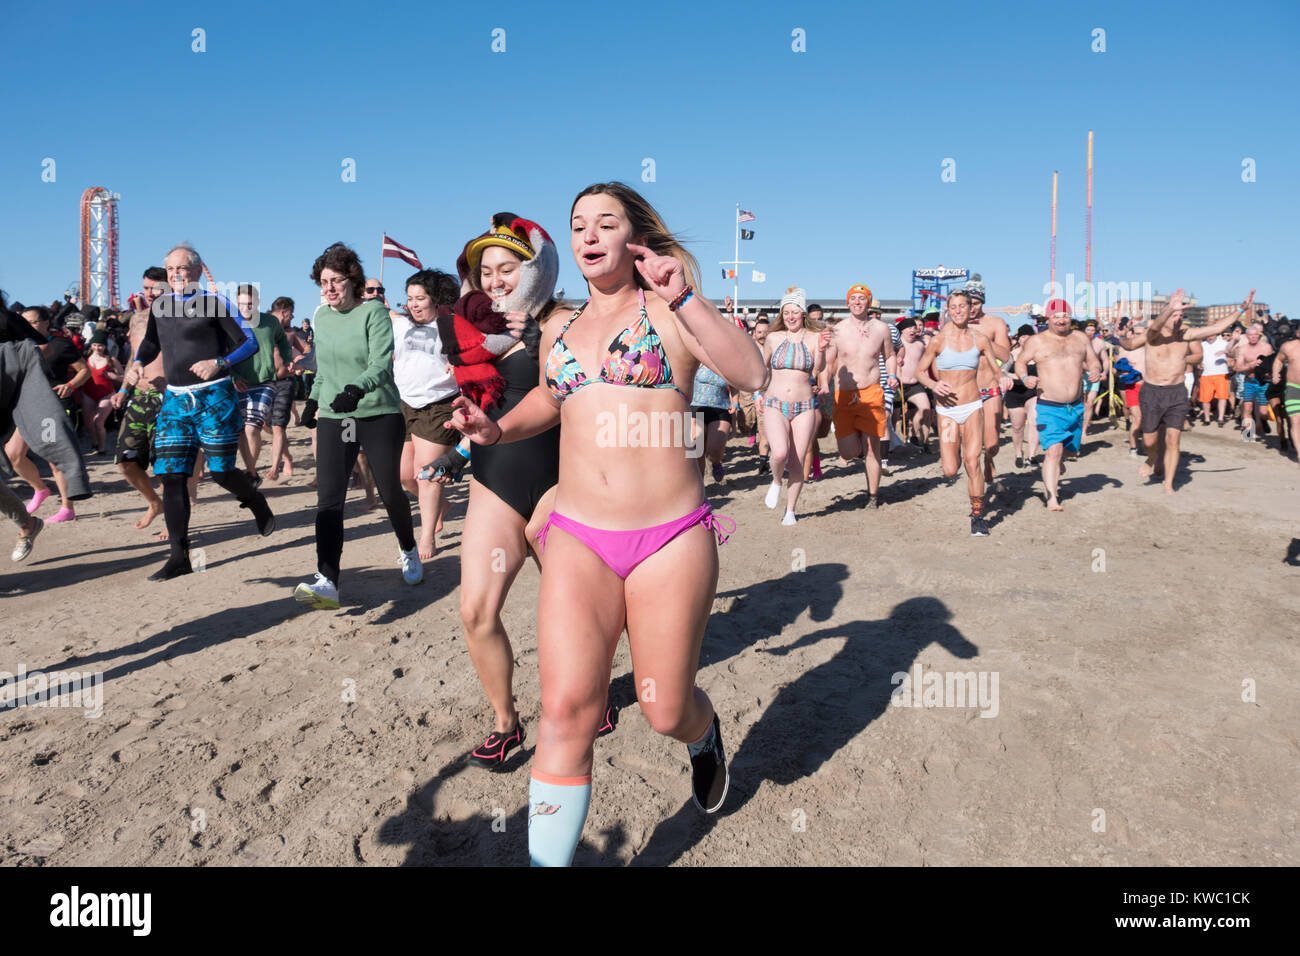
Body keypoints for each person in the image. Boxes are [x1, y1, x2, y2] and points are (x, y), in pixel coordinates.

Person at [451, 183, 767, 866]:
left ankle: (703, 734)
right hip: (578, 537)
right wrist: (495, 427)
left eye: (606, 223)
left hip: (670, 538)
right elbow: (550, 397)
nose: (589, 235)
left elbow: (751, 372)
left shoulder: (669, 309)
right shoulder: (559, 327)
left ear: (634, 237)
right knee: (565, 711)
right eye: (578, 226)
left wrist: (684, 296)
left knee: (664, 709)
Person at [423, 214, 565, 768]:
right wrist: (457, 451)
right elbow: (481, 407)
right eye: (486, 272)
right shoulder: (465, 333)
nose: (496, 280)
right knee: (475, 611)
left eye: (508, 268)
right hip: (493, 477)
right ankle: (506, 722)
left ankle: (589, 691)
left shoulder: (560, 323)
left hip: (560, 479)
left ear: (533, 270)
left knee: (577, 609)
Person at [129, 243, 276, 579]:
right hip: (176, 399)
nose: (175, 275)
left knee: (222, 472)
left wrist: (219, 362)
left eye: (181, 269)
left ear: (196, 271)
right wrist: (137, 362)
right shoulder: (161, 307)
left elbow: (248, 343)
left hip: (215, 396)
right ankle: (179, 556)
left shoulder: (213, 303)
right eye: (169, 270)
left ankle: (255, 500)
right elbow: (151, 343)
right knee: (172, 474)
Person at [294, 242, 420, 608]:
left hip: (378, 412)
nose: (329, 289)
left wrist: (355, 389)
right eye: (323, 282)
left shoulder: (373, 314)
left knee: (389, 490)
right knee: (328, 500)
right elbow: (325, 366)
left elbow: (381, 364)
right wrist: (315, 399)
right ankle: (328, 581)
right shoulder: (321, 316)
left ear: (352, 281)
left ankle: (408, 548)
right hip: (336, 415)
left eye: (335, 281)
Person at [1120, 289, 1249, 494]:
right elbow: (1153, 327)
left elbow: (1216, 326)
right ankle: (1152, 458)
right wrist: (1170, 307)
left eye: (1181, 315)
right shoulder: (1153, 336)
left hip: (1177, 392)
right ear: (1166, 316)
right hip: (1152, 391)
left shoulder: (1186, 335)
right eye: (1174, 315)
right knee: (1150, 441)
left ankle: (1169, 483)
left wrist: (1241, 310)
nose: (1178, 319)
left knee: (1173, 439)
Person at [914, 289, 1001, 534]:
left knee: (972, 462)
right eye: (954, 307)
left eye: (963, 306)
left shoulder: (980, 339)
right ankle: (966, 466)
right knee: (950, 469)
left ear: (969, 308)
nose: (959, 311)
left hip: (973, 406)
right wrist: (933, 385)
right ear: (948, 311)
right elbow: (919, 372)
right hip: (948, 412)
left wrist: (1003, 377)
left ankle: (978, 516)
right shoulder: (938, 340)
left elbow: (995, 367)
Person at [393, 268, 460, 559]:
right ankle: (439, 505)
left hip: (440, 403)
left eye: (420, 298)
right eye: (409, 298)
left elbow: (475, 352)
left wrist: (461, 364)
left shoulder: (450, 325)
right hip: (406, 403)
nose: (414, 304)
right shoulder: (398, 325)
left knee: (426, 474)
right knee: (404, 476)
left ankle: (427, 535)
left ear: (435, 298)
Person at [1013, 301, 1101, 511]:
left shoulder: (1080, 338)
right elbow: (1020, 362)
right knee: (1053, 451)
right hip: (1049, 406)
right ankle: (1052, 498)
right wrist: (1025, 377)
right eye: (1056, 316)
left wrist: (1096, 370)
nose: (1061, 320)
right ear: (1048, 318)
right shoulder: (1037, 341)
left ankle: (1060, 461)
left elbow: (1093, 360)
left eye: (1065, 316)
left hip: (1075, 407)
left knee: (1069, 452)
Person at [6, 305, 91, 523]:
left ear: (45, 322)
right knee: (13, 454)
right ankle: (40, 489)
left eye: (34, 322)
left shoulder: (59, 345)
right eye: (25, 322)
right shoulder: (20, 346)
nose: (29, 326)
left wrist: (70, 385)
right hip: (28, 405)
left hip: (52, 406)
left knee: (54, 457)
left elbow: (84, 370)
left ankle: (67, 507)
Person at [822, 284, 896, 509]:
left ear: (868, 302)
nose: (857, 302)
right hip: (843, 395)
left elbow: (890, 355)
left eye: (861, 299)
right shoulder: (838, 330)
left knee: (873, 447)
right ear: (847, 303)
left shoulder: (882, 328)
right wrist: (824, 383)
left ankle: (873, 496)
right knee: (849, 451)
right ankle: (861, 449)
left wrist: (892, 374)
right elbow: (827, 363)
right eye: (853, 298)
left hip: (872, 392)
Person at [760, 287, 825, 524]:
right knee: (779, 452)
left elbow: (818, 367)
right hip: (775, 403)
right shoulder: (773, 338)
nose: (790, 316)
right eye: (786, 312)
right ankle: (776, 480)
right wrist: (758, 393)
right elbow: (761, 368)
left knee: (798, 459)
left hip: (804, 405)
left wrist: (822, 349)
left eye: (794, 312)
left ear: (803, 313)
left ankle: (790, 510)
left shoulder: (814, 337)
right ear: (782, 314)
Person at [231, 285, 292, 484]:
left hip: (266, 381)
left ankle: (250, 472)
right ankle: (251, 472)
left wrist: (284, 359)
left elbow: (283, 341)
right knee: (240, 430)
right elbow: (221, 352)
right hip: (239, 382)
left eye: (249, 303)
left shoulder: (270, 322)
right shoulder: (231, 323)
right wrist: (232, 375)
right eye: (241, 304)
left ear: (257, 303)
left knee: (251, 427)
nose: (245, 308)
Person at [964, 276, 1011, 481]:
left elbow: (1006, 356)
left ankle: (989, 458)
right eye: (968, 303)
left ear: (982, 302)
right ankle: (976, 485)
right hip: (966, 390)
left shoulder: (995, 323)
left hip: (989, 387)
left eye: (976, 303)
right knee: (970, 443)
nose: (972, 308)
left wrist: (981, 339)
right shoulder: (954, 324)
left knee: (992, 444)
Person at [267, 296, 309, 479]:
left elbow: (307, 350)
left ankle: (274, 468)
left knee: (278, 427)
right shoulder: (263, 326)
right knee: (267, 426)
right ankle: (287, 456)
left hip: (285, 382)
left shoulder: (291, 333)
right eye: (291, 314)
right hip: (264, 382)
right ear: (283, 312)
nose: (292, 318)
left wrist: (298, 360)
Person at [81, 331, 123, 454]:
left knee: (98, 422)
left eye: (100, 345)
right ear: (91, 345)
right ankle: (95, 443)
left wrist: (114, 377)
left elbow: (124, 377)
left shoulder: (111, 360)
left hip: (106, 394)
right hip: (88, 394)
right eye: (95, 345)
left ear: (105, 346)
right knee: (88, 424)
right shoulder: (85, 358)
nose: (97, 348)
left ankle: (102, 448)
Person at [1004, 324, 1039, 468]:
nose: (1025, 339)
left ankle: (1032, 455)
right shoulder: (1012, 354)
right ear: (1019, 339)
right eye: (1023, 336)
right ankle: (1019, 453)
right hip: (1015, 392)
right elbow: (1002, 372)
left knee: (1034, 421)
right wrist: (1018, 376)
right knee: (1017, 427)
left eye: (1028, 336)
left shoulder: (1038, 354)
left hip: (1033, 392)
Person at [691, 362, 732, 485]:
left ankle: (716, 462)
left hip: (721, 408)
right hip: (696, 406)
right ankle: (700, 488)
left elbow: (735, 386)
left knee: (714, 450)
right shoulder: (696, 360)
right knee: (696, 449)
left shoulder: (726, 362)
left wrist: (735, 403)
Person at [1233, 322, 1274, 443]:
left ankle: (1263, 421)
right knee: (1247, 408)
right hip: (1249, 381)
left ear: (1259, 335)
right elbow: (1237, 368)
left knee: (1263, 411)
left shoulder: (1266, 347)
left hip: (1263, 382)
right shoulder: (1243, 349)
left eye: (1255, 335)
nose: (1253, 337)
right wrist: (1251, 365)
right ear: (1246, 336)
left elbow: (1273, 363)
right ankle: (1248, 435)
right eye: (1251, 335)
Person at [898, 317, 932, 450]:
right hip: (898, 385)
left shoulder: (920, 345)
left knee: (925, 409)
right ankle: (893, 443)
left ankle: (913, 435)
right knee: (895, 416)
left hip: (915, 385)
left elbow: (926, 364)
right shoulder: (896, 344)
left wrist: (928, 380)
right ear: (902, 330)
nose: (913, 330)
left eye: (914, 328)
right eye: (909, 328)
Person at [1271, 332, 1300, 468]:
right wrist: (1276, 373)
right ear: (1298, 333)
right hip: (1294, 388)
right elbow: (1278, 360)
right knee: (1295, 421)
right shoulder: (1288, 347)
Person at [1198, 330, 1231, 425]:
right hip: (1206, 374)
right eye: (1208, 335)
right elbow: (1198, 358)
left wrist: (1225, 351)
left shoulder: (1224, 343)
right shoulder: (1202, 345)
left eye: (1212, 334)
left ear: (1216, 334)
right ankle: (1207, 419)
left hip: (1221, 373)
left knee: (1222, 397)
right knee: (1205, 399)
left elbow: (1233, 353)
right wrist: (1199, 364)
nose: (1210, 337)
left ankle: (1220, 418)